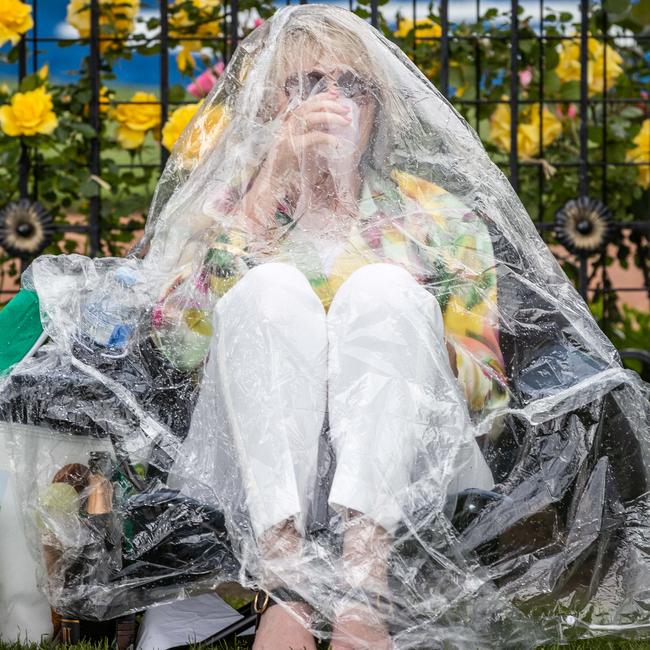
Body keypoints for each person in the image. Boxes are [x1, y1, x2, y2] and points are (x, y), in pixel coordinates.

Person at [159, 9, 508, 649]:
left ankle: (361, 586)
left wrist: (380, 338)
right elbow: (175, 347)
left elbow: (486, 391)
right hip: (252, 475)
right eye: (306, 84)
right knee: (269, 290)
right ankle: (287, 582)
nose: (332, 101)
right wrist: (272, 182)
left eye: (353, 86)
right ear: (270, 106)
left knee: (380, 290)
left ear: (378, 110)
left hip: (406, 470)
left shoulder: (437, 217)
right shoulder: (227, 208)